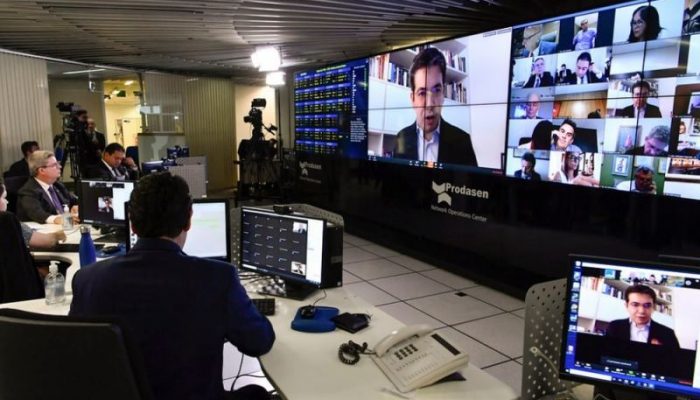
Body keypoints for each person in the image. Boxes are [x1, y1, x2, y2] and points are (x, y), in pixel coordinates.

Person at [70, 172, 275, 400]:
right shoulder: (217, 278)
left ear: (132, 224)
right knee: (258, 393)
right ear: (188, 219)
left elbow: (80, 353)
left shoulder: (87, 278)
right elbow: (259, 342)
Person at [393, 47, 477, 166]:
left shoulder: (462, 141)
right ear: (413, 99)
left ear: (443, 94)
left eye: (437, 90)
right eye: (422, 93)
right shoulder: (401, 138)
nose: (430, 104)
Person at [605, 285, 679, 348]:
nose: (641, 311)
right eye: (635, 304)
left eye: (647, 305)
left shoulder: (668, 333)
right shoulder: (614, 327)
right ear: (626, 306)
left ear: (653, 307)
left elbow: (676, 361)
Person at [16, 150, 79, 225]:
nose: (60, 166)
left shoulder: (57, 185)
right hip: (42, 232)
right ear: (42, 170)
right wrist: (57, 219)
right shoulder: (28, 191)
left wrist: (77, 206)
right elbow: (37, 213)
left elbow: (74, 200)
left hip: (67, 227)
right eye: (55, 165)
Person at [0, 182, 66, 248]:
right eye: (4, 197)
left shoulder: (57, 185)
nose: (7, 201)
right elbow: (46, 241)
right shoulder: (7, 221)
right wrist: (57, 235)